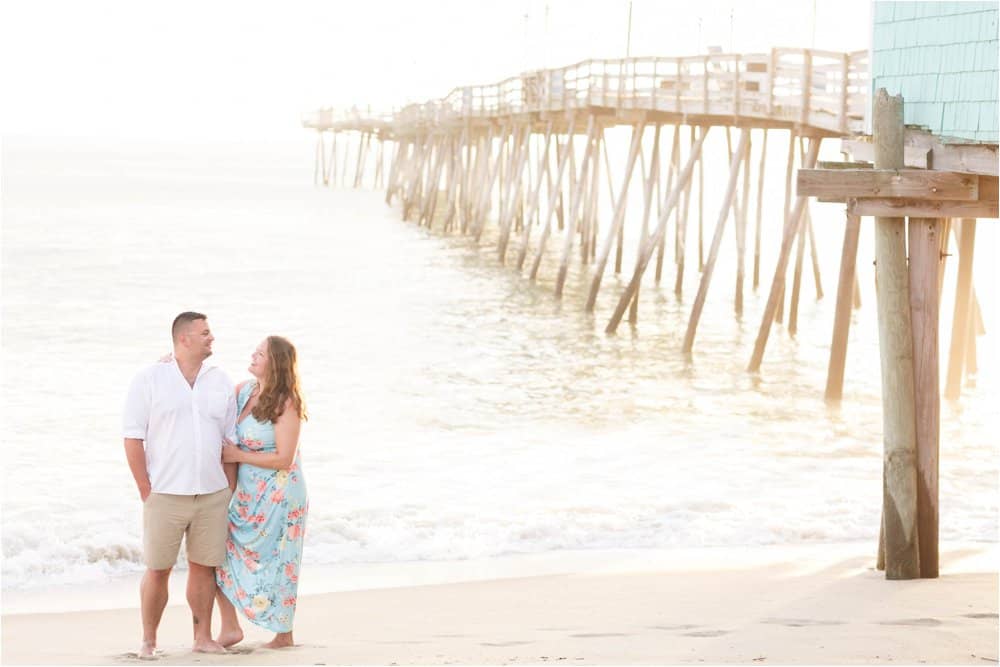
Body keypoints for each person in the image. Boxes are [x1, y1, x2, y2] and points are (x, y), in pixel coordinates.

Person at [123, 312, 238, 658]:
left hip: (212, 494)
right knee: (158, 568)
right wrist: (146, 489)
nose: (212, 338)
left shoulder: (220, 380)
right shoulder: (148, 378)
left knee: (205, 567)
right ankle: (149, 641)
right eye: (205, 333)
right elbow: (132, 438)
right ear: (183, 338)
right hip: (165, 494)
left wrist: (227, 489)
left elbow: (228, 442)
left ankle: (203, 637)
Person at [214, 335, 309, 649]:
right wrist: (169, 367)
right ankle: (230, 627)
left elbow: (285, 458)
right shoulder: (243, 392)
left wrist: (240, 456)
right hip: (247, 495)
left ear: (276, 363)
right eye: (254, 350)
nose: (253, 355)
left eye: (260, 353)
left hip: (281, 496)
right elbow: (205, 397)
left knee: (282, 560)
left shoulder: (287, 402)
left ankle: (284, 634)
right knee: (220, 551)